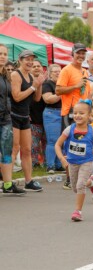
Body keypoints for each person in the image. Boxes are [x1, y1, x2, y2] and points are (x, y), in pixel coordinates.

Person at [55, 100, 93, 221]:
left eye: (81, 113)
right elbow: (57, 145)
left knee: (80, 186)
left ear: (89, 116)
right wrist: (62, 159)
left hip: (86, 161)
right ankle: (91, 182)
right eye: (75, 113)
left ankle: (78, 211)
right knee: (75, 188)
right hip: (72, 162)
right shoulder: (69, 129)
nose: (77, 115)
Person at [56, 43, 91, 189]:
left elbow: (86, 92)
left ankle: (79, 177)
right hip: (70, 112)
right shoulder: (66, 70)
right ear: (73, 54)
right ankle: (69, 179)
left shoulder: (85, 72)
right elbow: (58, 90)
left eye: (83, 54)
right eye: (78, 53)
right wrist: (75, 86)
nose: (81, 56)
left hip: (83, 113)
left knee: (83, 144)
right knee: (70, 145)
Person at [11, 50, 45, 192]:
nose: (30, 62)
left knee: (26, 150)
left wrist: (39, 83)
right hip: (13, 115)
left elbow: (37, 98)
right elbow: (17, 96)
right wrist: (33, 86)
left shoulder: (31, 76)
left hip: (25, 117)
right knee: (14, 149)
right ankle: (7, 181)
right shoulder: (15, 75)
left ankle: (28, 180)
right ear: (20, 60)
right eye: (27, 59)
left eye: (32, 59)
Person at [0, 44, 26, 195]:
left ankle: (8, 184)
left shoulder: (6, 75)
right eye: (0, 53)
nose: (2, 56)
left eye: (4, 54)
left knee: (7, 151)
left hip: (5, 119)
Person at [42, 64, 63, 173]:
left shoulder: (62, 84)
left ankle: (59, 164)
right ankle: (50, 165)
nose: (58, 73)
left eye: (59, 71)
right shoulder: (47, 84)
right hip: (52, 113)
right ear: (49, 74)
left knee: (61, 140)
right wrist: (63, 93)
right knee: (52, 140)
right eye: (55, 71)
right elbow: (48, 99)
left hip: (63, 113)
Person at [29, 60, 47, 167]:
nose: (36, 68)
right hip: (33, 118)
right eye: (33, 66)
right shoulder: (27, 82)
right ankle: (34, 163)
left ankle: (46, 163)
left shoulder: (47, 82)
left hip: (46, 118)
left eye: (38, 66)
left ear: (42, 68)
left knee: (46, 142)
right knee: (33, 144)